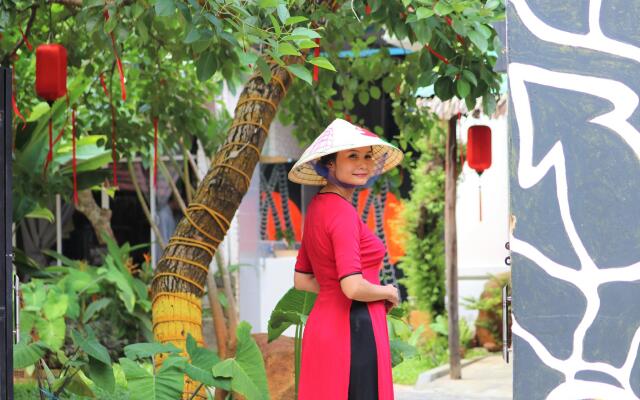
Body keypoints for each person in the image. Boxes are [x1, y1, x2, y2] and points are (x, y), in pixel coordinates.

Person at [288, 118, 404, 400]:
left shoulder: (316, 207)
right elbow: (352, 287)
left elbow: (302, 280)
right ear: (329, 164)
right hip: (354, 330)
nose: (362, 163)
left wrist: (332, 291)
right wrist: (387, 292)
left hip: (323, 327)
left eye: (366, 156)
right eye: (352, 156)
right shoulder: (342, 213)